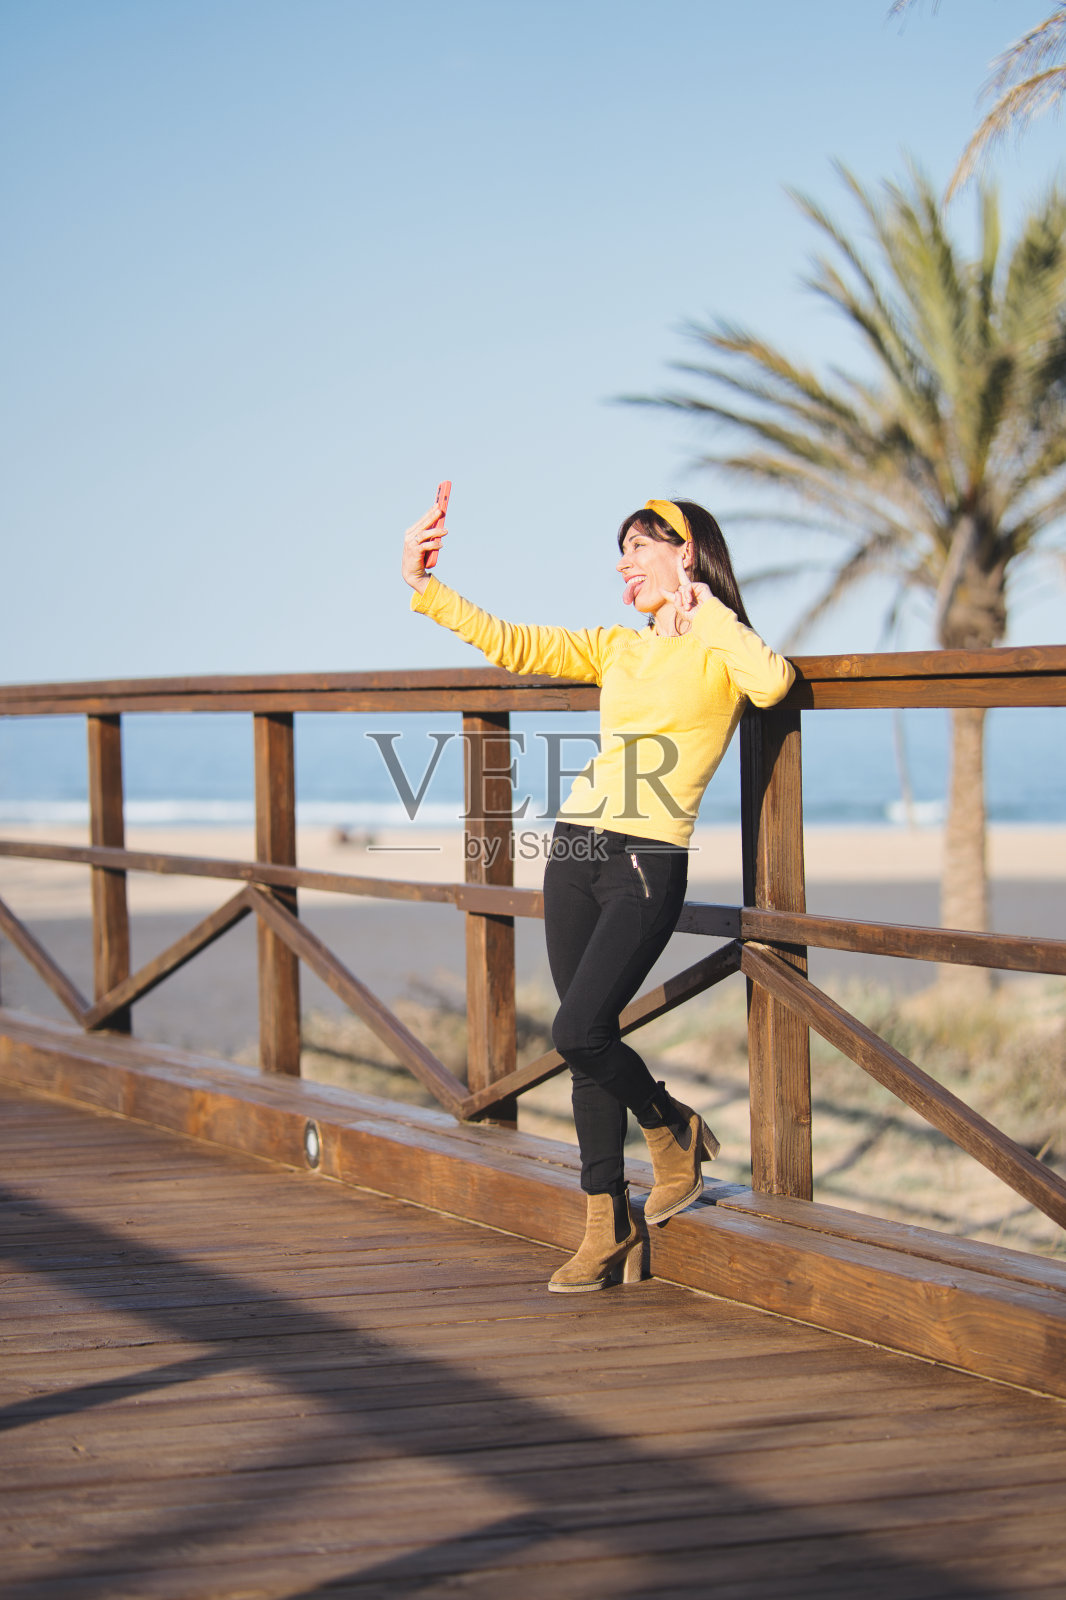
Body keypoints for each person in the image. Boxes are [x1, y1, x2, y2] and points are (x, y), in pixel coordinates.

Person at [401, 494, 795, 1292]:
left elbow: (774, 683)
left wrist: (708, 612)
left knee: (577, 1029)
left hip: (648, 858)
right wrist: (425, 585)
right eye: (620, 550)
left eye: (639, 545)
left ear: (686, 553)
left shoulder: (721, 644)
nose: (623, 561)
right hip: (575, 848)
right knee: (588, 1038)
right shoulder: (618, 646)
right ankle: (605, 1222)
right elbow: (513, 642)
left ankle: (672, 1127)